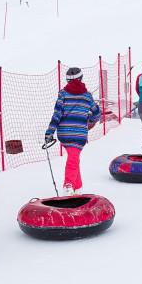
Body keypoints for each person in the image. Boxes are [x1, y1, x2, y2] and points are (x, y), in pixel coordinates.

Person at [45, 66, 101, 195]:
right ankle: (68, 184)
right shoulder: (87, 96)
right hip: (79, 133)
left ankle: (78, 188)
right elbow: (97, 113)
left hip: (64, 133)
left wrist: (49, 132)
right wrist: (90, 121)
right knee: (73, 158)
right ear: (81, 79)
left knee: (73, 157)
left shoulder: (63, 94)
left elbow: (56, 115)